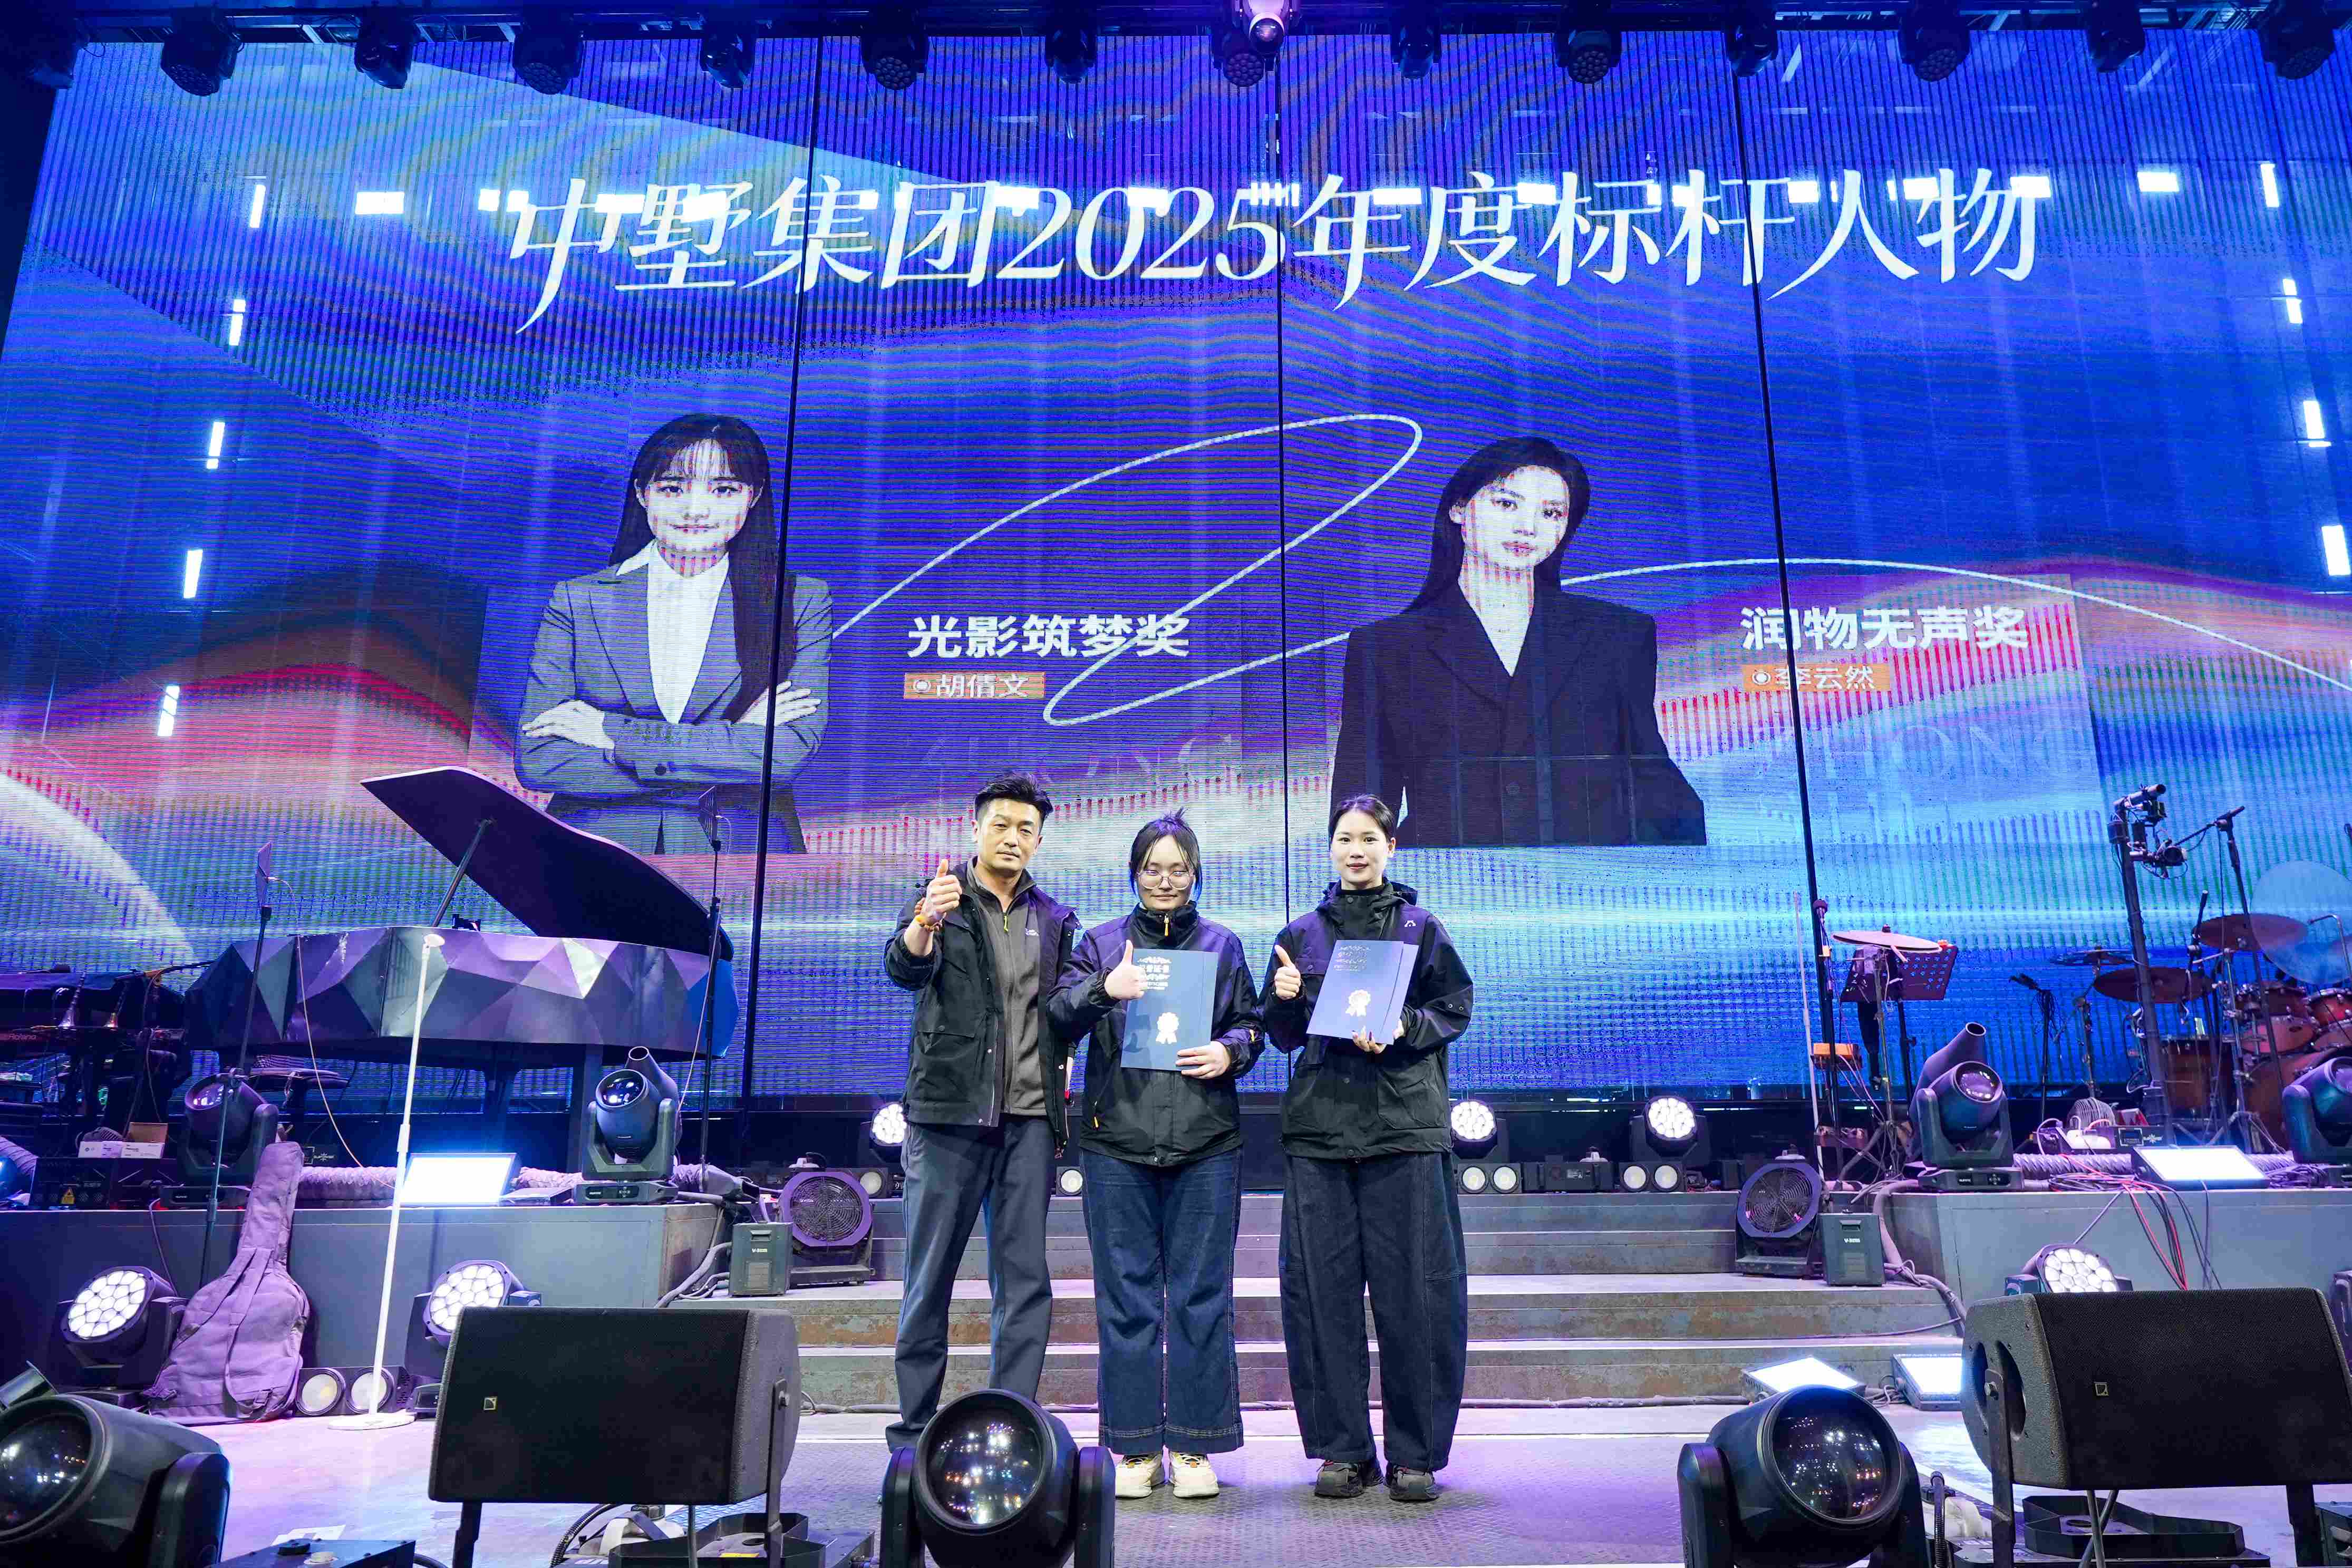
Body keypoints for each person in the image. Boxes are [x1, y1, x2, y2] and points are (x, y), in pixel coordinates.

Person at [1330, 436, 1705, 848]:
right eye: (1507, 503)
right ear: (1458, 508)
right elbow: (1363, 800)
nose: (1528, 527)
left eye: (1550, 513)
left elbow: (1652, 778)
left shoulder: (1618, 634)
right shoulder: (1385, 648)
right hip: (1448, 873)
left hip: (1590, 873)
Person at [1263, 794, 1474, 1504]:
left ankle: (1414, 1454)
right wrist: (1283, 996)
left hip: (1404, 1130)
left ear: (1390, 847)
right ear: (1331, 848)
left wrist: (1405, 1025)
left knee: (1415, 1295)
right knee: (1321, 1297)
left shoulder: (1421, 927)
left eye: (1369, 839)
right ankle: (1343, 1450)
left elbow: (1454, 1007)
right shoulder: (1300, 932)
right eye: (1345, 839)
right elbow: (1281, 1034)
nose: (1356, 850)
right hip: (1320, 1132)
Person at [1046, 810, 1262, 1501]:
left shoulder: (1223, 945)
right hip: (1118, 1144)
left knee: (1201, 1297)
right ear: (1134, 873)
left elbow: (1252, 1024)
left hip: (1206, 1143)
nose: (1165, 881)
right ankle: (1135, 1444)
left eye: (1178, 869)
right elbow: (1058, 1015)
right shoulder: (1102, 944)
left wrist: (1230, 1050)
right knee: (1127, 1299)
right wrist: (1101, 989)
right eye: (1152, 868)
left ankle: (1195, 1444)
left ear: (1195, 874)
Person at [880, 773, 1083, 1456]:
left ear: (1039, 840)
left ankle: (1012, 1431)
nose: (1013, 838)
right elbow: (903, 969)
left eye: (1027, 828)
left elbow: (1065, 1011)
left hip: (1029, 1122)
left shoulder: (1055, 919)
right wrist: (924, 923)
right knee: (928, 1279)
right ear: (976, 828)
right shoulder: (941, 897)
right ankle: (912, 1438)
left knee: (1023, 1284)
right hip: (947, 1118)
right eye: (1002, 824)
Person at [519, 413, 830, 854]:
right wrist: (733, 743)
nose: (695, 510)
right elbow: (539, 760)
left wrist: (609, 731)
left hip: (740, 851)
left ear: (754, 495)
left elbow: (783, 755)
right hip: (593, 847)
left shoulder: (800, 599)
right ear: (641, 493)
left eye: (723, 489)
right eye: (672, 488)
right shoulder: (578, 598)